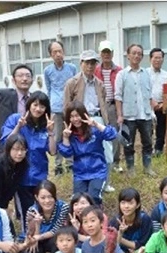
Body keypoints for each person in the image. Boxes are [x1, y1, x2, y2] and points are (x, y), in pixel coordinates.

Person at [0, 91, 56, 229]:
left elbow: (53, 151)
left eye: (42, 106)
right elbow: (6, 143)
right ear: (29, 105)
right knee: (27, 211)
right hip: (20, 176)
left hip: (40, 176)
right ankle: (28, 238)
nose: (38, 109)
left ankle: (41, 235)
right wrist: (19, 127)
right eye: (35, 105)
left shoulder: (45, 126)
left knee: (42, 208)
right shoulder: (16, 119)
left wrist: (50, 132)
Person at [58, 101, 117, 201]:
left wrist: (97, 124)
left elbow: (112, 135)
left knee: (93, 197)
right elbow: (66, 153)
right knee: (79, 200)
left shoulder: (94, 130)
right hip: (80, 174)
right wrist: (66, 139)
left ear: (84, 115)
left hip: (98, 171)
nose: (75, 119)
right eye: (72, 116)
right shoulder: (69, 134)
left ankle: (98, 215)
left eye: (78, 115)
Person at [115, 43, 156, 177]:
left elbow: (150, 95)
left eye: (139, 54)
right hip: (128, 115)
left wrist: (152, 112)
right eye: (134, 53)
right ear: (128, 55)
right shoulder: (122, 74)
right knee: (128, 143)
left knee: (148, 142)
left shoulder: (146, 73)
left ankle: (147, 167)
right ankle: (131, 169)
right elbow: (118, 96)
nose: (137, 56)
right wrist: (120, 115)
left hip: (145, 114)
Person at [44, 40, 78, 176]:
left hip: (70, 107)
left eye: (60, 51)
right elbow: (49, 89)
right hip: (56, 108)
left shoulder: (72, 68)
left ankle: (70, 163)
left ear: (64, 52)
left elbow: (75, 88)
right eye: (55, 52)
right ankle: (58, 165)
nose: (58, 54)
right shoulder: (48, 71)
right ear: (50, 54)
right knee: (57, 136)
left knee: (70, 134)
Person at [0, 134, 28, 235]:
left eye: (23, 149)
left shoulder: (21, 165)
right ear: (8, 149)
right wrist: (4, 210)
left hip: (2, 204)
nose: (20, 153)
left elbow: (12, 189)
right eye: (16, 149)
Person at [24, 180, 70, 253]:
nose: (47, 201)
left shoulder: (63, 207)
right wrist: (37, 224)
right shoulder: (32, 211)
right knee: (32, 249)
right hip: (39, 239)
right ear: (36, 198)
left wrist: (38, 237)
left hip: (53, 237)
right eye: (43, 198)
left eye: (50, 197)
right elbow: (30, 234)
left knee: (57, 240)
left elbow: (56, 230)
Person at [95, 40, 124, 182]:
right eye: (103, 52)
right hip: (99, 106)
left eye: (108, 52)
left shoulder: (119, 70)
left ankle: (116, 162)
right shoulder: (95, 69)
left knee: (114, 133)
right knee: (100, 134)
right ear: (100, 54)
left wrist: (120, 112)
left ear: (112, 53)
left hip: (113, 105)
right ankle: (103, 160)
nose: (106, 55)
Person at [63, 49, 109, 127]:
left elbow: (103, 104)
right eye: (87, 63)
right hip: (80, 120)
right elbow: (66, 107)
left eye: (93, 63)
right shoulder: (72, 83)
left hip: (97, 118)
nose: (90, 66)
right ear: (81, 63)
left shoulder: (100, 84)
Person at [109, 187, 153, 253]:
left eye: (130, 203)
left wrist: (120, 239)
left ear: (137, 205)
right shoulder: (115, 221)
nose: (126, 206)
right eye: (123, 203)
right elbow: (113, 247)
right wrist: (120, 233)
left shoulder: (145, 220)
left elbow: (143, 245)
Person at [146, 48, 167, 157]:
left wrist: (162, 104)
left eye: (160, 58)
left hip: (162, 106)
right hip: (148, 106)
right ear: (150, 59)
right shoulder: (144, 73)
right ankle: (148, 150)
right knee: (148, 130)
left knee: (161, 130)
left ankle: (158, 150)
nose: (158, 60)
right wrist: (152, 102)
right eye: (155, 57)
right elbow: (143, 90)